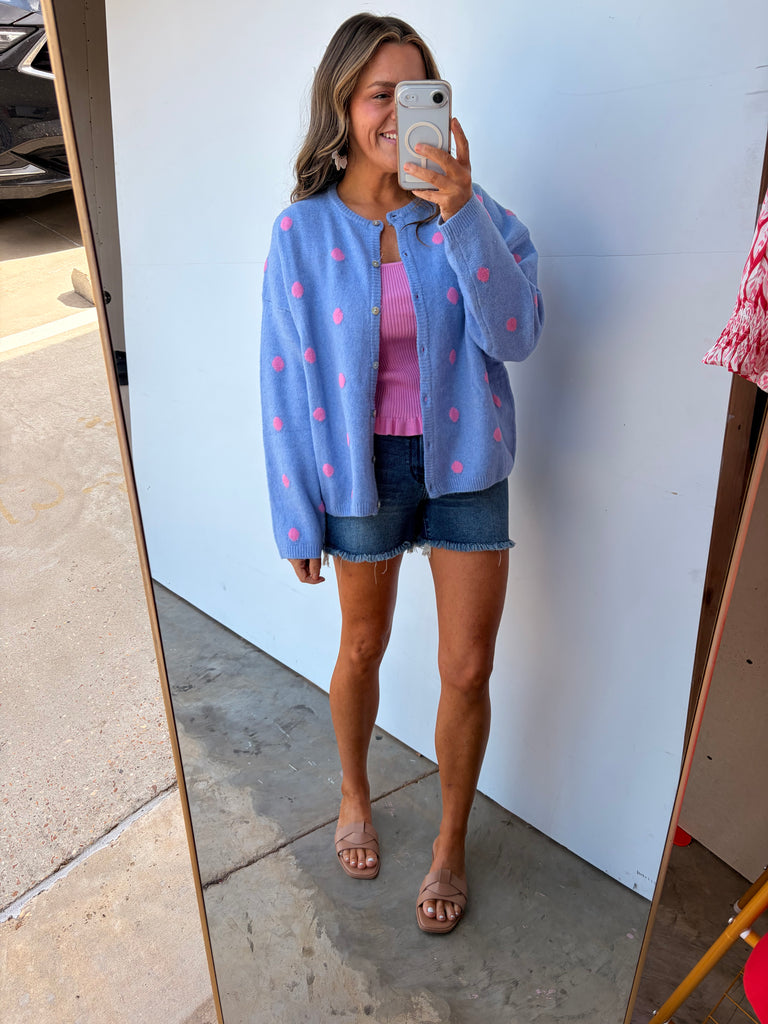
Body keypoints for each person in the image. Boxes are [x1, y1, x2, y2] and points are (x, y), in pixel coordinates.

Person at [260, 12, 543, 933]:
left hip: (467, 462)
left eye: (416, 92)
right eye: (380, 93)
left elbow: (517, 335)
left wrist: (460, 214)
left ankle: (450, 843)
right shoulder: (301, 233)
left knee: (468, 666)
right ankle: (354, 792)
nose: (396, 112)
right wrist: (296, 513)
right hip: (361, 468)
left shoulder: (472, 211)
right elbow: (282, 378)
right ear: (343, 104)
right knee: (361, 647)